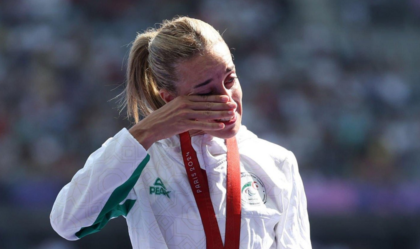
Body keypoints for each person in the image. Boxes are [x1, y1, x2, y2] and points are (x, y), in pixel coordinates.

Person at [50, 16, 312, 249]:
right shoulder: (138, 158)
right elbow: (66, 222)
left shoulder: (277, 162)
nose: (227, 100)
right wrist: (146, 131)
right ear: (170, 99)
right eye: (206, 92)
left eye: (230, 80)